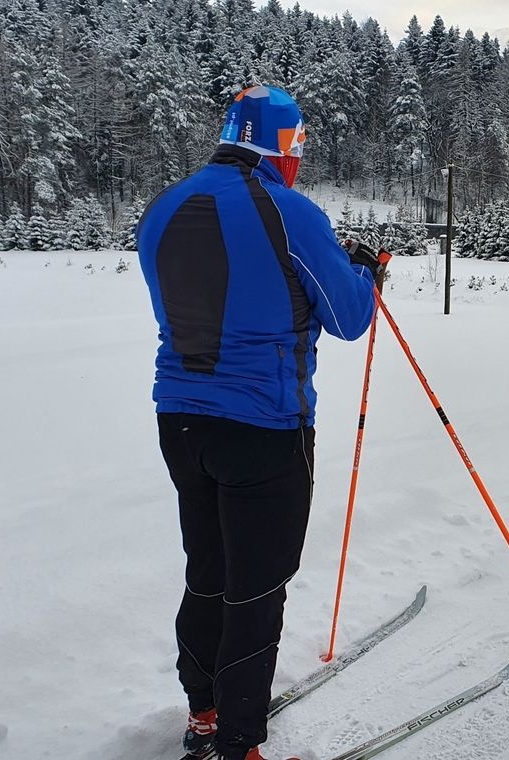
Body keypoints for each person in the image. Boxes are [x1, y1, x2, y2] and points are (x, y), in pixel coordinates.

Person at [136, 85, 385, 760]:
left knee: (207, 570)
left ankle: (206, 715)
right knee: (257, 585)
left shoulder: (163, 207)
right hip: (264, 428)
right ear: (282, 146)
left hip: (180, 421)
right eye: (297, 148)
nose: (298, 160)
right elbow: (349, 316)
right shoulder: (289, 211)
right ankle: (240, 744)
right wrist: (366, 271)